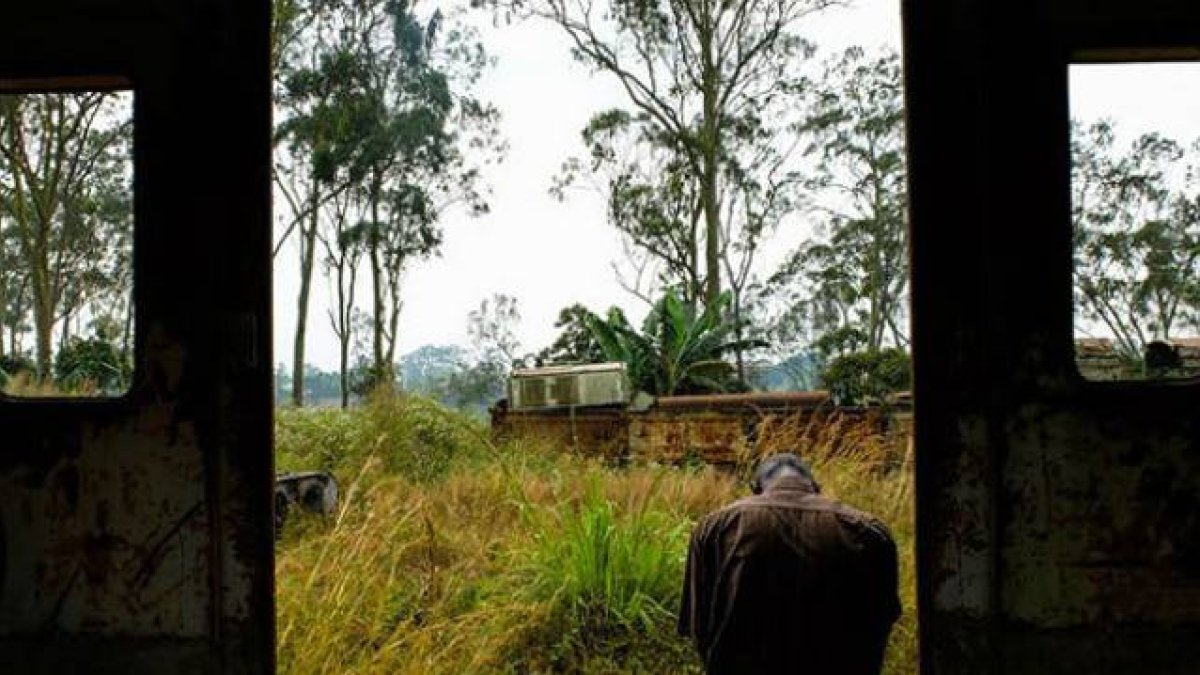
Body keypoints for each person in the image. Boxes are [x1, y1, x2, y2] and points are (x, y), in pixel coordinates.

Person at [678, 452, 900, 674]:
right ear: (815, 487)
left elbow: (699, 626)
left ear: (755, 487)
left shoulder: (715, 527)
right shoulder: (867, 531)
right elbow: (880, 622)